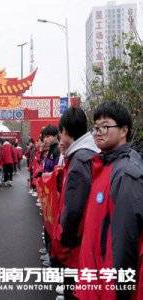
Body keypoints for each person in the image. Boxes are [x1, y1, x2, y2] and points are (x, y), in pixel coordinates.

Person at [76, 102, 143, 300]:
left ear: (124, 130)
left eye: (104, 126)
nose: (98, 132)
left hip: (108, 290)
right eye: (95, 127)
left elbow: (124, 241)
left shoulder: (125, 173)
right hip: (93, 283)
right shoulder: (104, 165)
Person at [51, 107, 100, 300]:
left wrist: (63, 239)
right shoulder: (85, 154)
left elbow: (74, 209)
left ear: (65, 131)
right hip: (83, 238)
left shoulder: (80, 159)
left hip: (75, 244)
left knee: (75, 288)